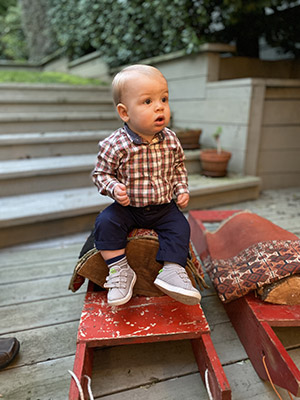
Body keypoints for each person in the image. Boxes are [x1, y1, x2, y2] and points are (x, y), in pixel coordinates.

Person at [92, 64, 201, 307]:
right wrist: (113, 187)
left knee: (180, 227)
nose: (159, 106)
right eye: (147, 101)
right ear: (124, 112)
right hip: (128, 207)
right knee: (105, 223)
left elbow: (178, 167)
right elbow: (101, 174)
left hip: (163, 206)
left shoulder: (171, 140)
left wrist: (181, 189)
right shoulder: (114, 144)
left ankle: (172, 270)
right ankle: (120, 270)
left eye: (164, 98)